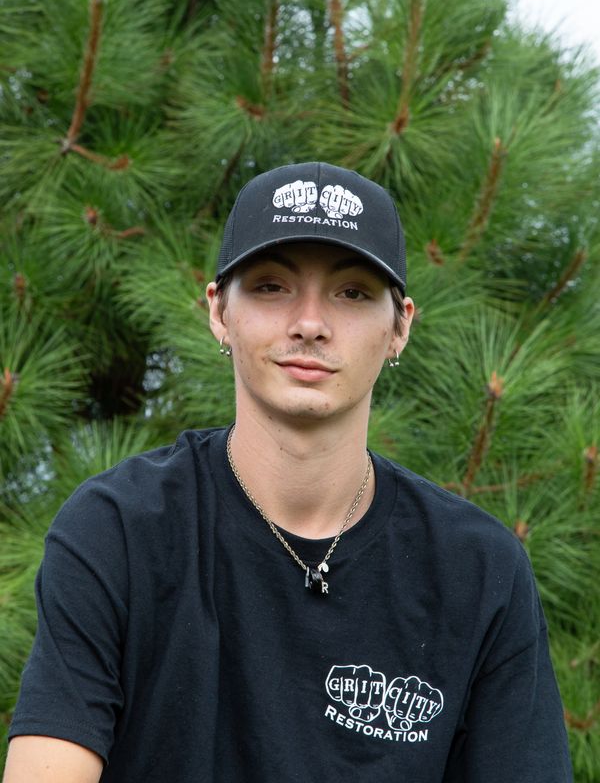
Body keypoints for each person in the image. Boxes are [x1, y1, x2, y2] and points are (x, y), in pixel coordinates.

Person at [4, 162, 572, 782]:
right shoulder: (117, 532)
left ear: (400, 326)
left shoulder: (478, 568)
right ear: (219, 311)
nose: (309, 322)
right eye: (272, 286)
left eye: (351, 292)